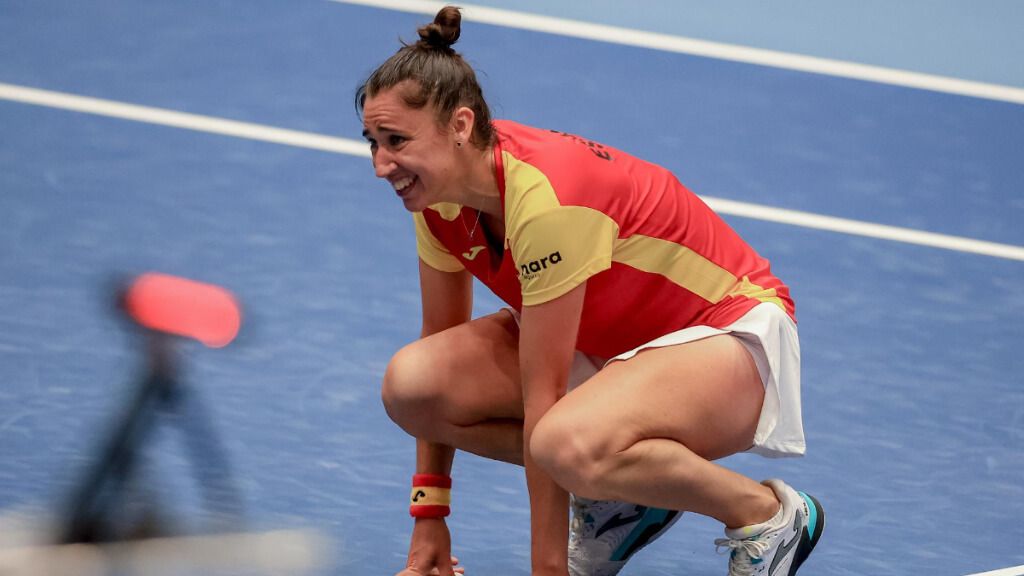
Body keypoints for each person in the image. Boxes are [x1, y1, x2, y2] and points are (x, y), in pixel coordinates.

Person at [356, 7, 824, 576]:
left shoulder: (549, 202)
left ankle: (767, 515)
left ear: (459, 126)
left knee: (563, 441)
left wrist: (547, 569)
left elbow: (544, 399)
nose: (382, 165)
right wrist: (430, 514)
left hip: (728, 337)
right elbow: (441, 341)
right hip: (608, 345)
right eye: (373, 142)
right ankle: (624, 498)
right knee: (415, 388)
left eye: (396, 140)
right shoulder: (437, 203)